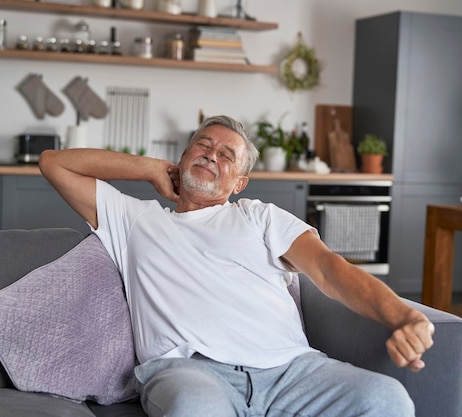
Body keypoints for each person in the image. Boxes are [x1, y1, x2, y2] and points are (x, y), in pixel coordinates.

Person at [39, 115, 435, 417]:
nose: (211, 155)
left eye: (227, 156)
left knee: (386, 399)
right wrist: (147, 168)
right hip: (192, 372)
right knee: (193, 407)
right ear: (182, 157)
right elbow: (53, 163)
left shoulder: (258, 216)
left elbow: (330, 270)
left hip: (292, 371)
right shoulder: (135, 219)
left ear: (240, 183)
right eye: (202, 146)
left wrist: (406, 317)